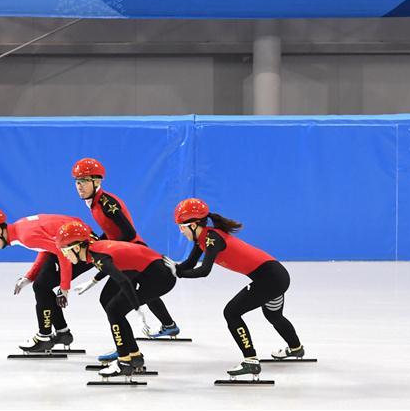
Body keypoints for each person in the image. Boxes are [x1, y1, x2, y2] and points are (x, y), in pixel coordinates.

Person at [172, 197, 304, 379]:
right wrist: (168, 268)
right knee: (273, 315)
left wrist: (178, 274)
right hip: (276, 275)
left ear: (193, 225)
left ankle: (250, 361)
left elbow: (204, 270)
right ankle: (296, 348)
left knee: (231, 313)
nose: (181, 231)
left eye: (181, 227)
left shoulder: (211, 238)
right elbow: (189, 263)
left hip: (270, 278)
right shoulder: (203, 239)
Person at [70, 158, 180, 351]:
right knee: (146, 290)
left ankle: (124, 347)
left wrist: (106, 250)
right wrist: (102, 242)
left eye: (85, 181)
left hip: (130, 250)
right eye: (77, 182)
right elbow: (114, 231)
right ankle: (169, 326)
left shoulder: (105, 203)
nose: (80, 186)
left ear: (97, 182)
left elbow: (128, 232)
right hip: (130, 250)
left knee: (109, 301)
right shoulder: (95, 203)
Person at [55, 220, 176, 377]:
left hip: (159, 277)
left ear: (77, 248)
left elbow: (123, 281)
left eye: (65, 252)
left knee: (114, 309)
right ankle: (134, 355)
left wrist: (138, 310)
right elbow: (113, 262)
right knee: (114, 308)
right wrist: (93, 281)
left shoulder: (97, 256)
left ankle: (124, 362)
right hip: (151, 270)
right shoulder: (94, 251)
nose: (64, 256)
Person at [0, 208, 93, 352]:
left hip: (82, 248)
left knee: (41, 286)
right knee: (41, 286)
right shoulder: (20, 228)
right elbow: (46, 248)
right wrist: (29, 276)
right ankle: (62, 333)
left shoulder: (25, 236)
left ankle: (45, 337)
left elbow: (62, 252)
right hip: (75, 240)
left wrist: (64, 287)